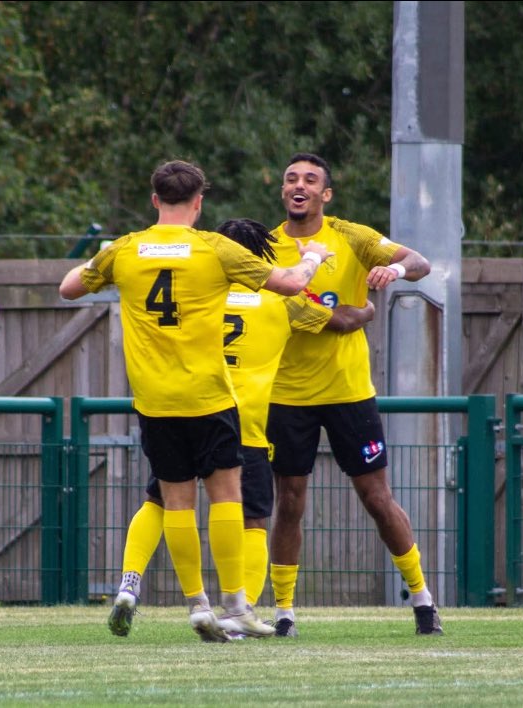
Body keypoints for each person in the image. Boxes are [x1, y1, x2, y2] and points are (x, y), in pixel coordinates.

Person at [59, 160, 333, 643]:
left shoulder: (126, 249)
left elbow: (69, 287)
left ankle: (196, 604)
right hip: (208, 395)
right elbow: (291, 284)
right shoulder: (214, 247)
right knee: (228, 498)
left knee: (176, 503)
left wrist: (99, 260)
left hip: (154, 399)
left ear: (154, 198)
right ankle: (236, 605)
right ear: (199, 202)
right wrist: (312, 257)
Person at [106, 218, 376, 639]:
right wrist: (367, 306)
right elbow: (339, 322)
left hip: (182, 405)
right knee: (250, 519)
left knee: (163, 501)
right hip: (241, 421)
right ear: (257, 255)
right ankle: (239, 609)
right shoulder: (280, 301)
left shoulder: (201, 292)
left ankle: (130, 582)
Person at [264, 152, 439, 637]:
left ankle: (423, 602)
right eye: (291, 177)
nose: (299, 184)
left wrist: (395, 272)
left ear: (326, 194)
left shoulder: (351, 235)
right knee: (290, 501)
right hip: (286, 395)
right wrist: (356, 312)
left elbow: (419, 262)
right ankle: (283, 613)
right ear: (283, 191)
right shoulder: (266, 247)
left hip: (348, 393)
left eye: (311, 179)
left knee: (377, 498)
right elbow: (338, 317)